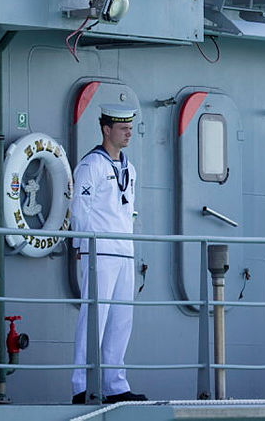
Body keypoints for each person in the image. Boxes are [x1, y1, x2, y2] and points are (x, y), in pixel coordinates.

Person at [70, 105, 146, 404]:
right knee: (95, 316)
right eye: (122, 128)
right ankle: (81, 384)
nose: (128, 132)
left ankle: (115, 383)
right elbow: (79, 208)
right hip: (99, 249)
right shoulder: (92, 165)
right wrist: (80, 243)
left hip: (123, 249)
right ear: (106, 130)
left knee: (121, 318)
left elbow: (128, 211)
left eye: (130, 127)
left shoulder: (130, 167)